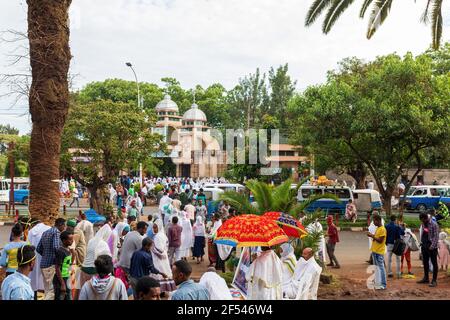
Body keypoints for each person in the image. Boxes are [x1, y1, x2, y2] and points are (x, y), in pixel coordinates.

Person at [36, 218, 66, 300]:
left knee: (47, 290)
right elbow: (56, 247)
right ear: (60, 225)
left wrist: (46, 254)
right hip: (51, 265)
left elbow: (38, 248)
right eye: (64, 225)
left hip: (43, 264)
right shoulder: (56, 232)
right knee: (52, 291)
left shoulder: (46, 232)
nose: (65, 228)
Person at [80, 224, 112, 289]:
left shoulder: (91, 240)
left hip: (84, 268)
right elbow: (108, 259)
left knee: (85, 291)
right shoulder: (103, 243)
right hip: (94, 270)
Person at [150, 219, 177, 293]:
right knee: (164, 270)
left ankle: (160, 290)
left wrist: (151, 248)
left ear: (159, 227)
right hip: (163, 257)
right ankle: (163, 290)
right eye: (153, 227)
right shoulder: (162, 235)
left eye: (155, 227)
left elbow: (160, 250)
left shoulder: (158, 236)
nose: (154, 229)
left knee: (159, 272)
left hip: (158, 258)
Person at [27, 220, 51, 298]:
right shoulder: (48, 228)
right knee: (46, 277)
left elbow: (29, 243)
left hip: (34, 255)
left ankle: (35, 293)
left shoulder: (31, 231)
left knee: (34, 275)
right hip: (45, 255)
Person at [417, 212, 440, 287]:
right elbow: (424, 233)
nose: (422, 222)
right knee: (425, 262)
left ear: (426, 218)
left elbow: (436, 237)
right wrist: (422, 243)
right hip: (424, 246)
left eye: (422, 220)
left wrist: (432, 246)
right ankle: (426, 278)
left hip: (432, 247)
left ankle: (434, 280)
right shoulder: (424, 224)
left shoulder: (434, 224)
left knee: (434, 263)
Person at [66, 219, 86, 300]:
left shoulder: (77, 233)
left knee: (74, 276)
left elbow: (72, 247)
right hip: (76, 254)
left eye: (71, 227)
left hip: (78, 254)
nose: (69, 228)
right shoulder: (72, 231)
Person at [367, 215, 387, 290]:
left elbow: (380, 240)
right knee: (377, 268)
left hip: (379, 252)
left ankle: (383, 284)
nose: (373, 222)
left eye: (374, 221)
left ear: (378, 220)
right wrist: (372, 236)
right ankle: (378, 282)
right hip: (375, 251)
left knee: (381, 268)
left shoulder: (382, 229)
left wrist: (372, 235)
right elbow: (376, 239)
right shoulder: (378, 228)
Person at [53, 230, 74, 300]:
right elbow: (57, 268)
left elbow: (69, 264)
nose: (72, 241)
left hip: (66, 278)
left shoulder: (68, 250)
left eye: (72, 239)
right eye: (70, 239)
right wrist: (62, 284)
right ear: (64, 241)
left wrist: (73, 254)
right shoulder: (60, 251)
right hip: (60, 280)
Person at [385, 215, 405, 279]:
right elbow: (403, 233)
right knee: (398, 259)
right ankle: (398, 274)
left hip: (389, 244)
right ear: (395, 219)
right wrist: (402, 227)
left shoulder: (386, 226)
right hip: (397, 244)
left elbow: (385, 235)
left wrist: (386, 242)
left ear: (390, 219)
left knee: (389, 259)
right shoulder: (397, 227)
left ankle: (389, 273)